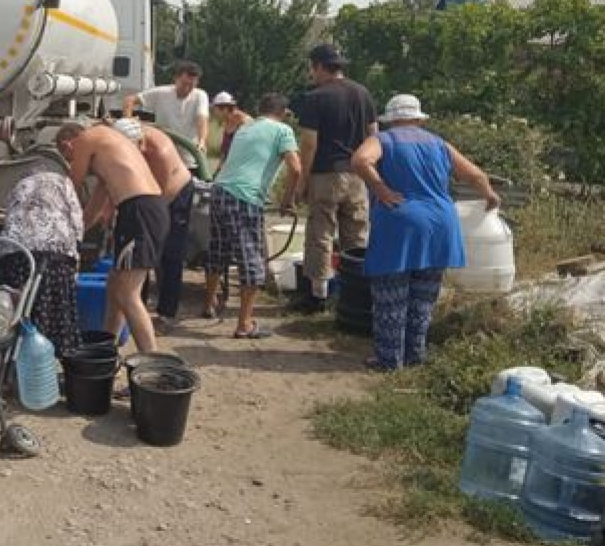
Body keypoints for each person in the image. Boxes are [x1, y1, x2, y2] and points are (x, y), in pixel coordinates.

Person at [352, 94, 501, 372]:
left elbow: (360, 161)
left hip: (400, 221)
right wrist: (490, 196)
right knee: (424, 296)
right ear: (419, 119)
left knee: (391, 293)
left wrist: (381, 189)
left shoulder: (384, 140)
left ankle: (388, 360)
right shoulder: (439, 144)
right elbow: (477, 176)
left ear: (391, 119)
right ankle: (414, 356)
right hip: (441, 224)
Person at [56, 121, 168, 353]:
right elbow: (96, 205)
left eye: (68, 157)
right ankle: (106, 347)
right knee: (114, 283)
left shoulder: (87, 138)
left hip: (139, 211)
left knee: (128, 293)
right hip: (146, 210)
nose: (71, 162)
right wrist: (74, 235)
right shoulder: (107, 148)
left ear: (69, 144)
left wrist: (56, 221)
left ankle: (151, 363)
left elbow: (71, 186)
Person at [200, 94, 302, 338]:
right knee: (251, 260)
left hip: (219, 191)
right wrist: (287, 200)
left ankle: (208, 304)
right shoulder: (283, 130)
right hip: (244, 197)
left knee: (218, 250)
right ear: (284, 112)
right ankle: (244, 324)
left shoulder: (246, 127)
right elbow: (296, 168)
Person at [291, 44, 378, 313]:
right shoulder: (363, 93)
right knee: (357, 235)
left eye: (312, 68)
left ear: (318, 66)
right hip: (358, 174)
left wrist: (302, 182)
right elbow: (374, 135)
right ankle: (356, 295)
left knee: (321, 233)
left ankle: (317, 296)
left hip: (326, 173)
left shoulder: (315, 97)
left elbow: (309, 144)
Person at [111, 118, 193, 332]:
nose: (139, 151)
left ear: (141, 139)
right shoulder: (125, 142)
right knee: (141, 254)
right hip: (151, 196)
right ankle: (138, 307)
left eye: (138, 146)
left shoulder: (160, 151)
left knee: (168, 254)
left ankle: (166, 313)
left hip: (174, 195)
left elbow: (163, 193)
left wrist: (150, 223)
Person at [0, 169, 84, 358]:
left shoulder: (19, 185)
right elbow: (77, 222)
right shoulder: (64, 184)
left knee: (18, 305)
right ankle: (50, 356)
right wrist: (77, 254)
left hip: (16, 251)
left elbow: (9, 218)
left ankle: (13, 354)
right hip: (56, 253)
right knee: (55, 306)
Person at [122, 60, 210, 173]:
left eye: (191, 85)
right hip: (164, 157)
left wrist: (202, 140)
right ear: (176, 79)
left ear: (197, 83)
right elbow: (129, 100)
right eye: (184, 84)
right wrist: (128, 124)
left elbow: (202, 119)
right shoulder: (161, 93)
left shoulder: (200, 96)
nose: (187, 88)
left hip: (189, 159)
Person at [212, 91, 253, 167]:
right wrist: (219, 167)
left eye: (215, 109)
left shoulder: (245, 122)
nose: (214, 112)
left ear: (224, 109)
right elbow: (225, 150)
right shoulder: (227, 122)